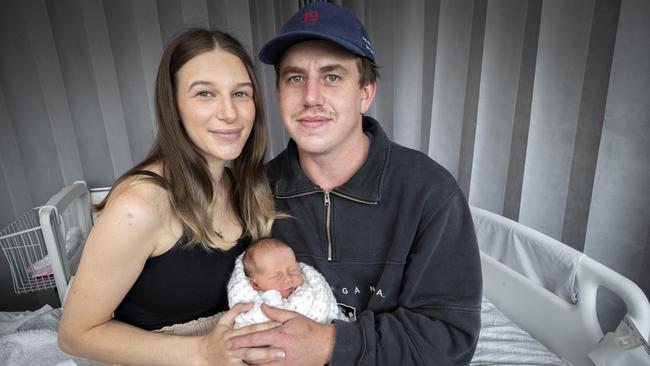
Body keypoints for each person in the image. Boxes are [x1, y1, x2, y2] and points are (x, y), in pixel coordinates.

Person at [227, 3, 483, 365]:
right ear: (279, 94)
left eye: (332, 77)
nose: (311, 97)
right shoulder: (254, 192)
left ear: (366, 92)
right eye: (295, 78)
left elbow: (450, 338)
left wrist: (332, 344)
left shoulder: (430, 194)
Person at [57, 28, 287, 365]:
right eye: (205, 94)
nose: (229, 113)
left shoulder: (244, 185)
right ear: (173, 107)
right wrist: (201, 352)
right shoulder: (139, 206)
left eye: (241, 94)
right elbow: (74, 335)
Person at [227, 238, 345, 328]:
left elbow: (322, 304)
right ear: (255, 284)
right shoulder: (254, 304)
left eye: (293, 270)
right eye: (277, 276)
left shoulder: (309, 290)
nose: (289, 279)